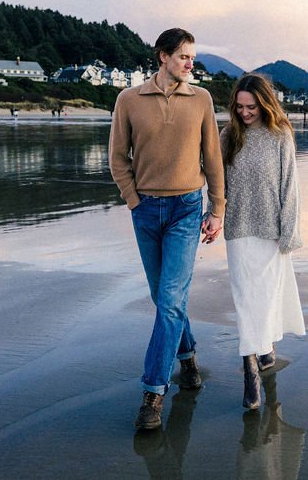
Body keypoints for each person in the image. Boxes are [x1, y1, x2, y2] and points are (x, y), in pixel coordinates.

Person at [109, 28, 225, 430]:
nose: (191, 63)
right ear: (162, 56)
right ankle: (188, 357)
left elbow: (213, 158)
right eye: (183, 57)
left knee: (172, 297)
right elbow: (117, 157)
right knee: (164, 297)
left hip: (187, 210)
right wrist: (134, 200)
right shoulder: (128, 100)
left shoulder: (202, 99)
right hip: (146, 209)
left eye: (192, 56)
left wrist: (218, 210)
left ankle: (153, 393)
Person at [220, 73, 306, 410]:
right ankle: (250, 368)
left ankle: (266, 348)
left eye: (251, 106)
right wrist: (212, 214)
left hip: (271, 229)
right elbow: (217, 183)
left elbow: (291, 186)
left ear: (264, 103)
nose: (244, 112)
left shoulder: (280, 134)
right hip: (238, 228)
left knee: (267, 297)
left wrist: (290, 231)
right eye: (239, 107)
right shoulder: (229, 136)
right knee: (245, 298)